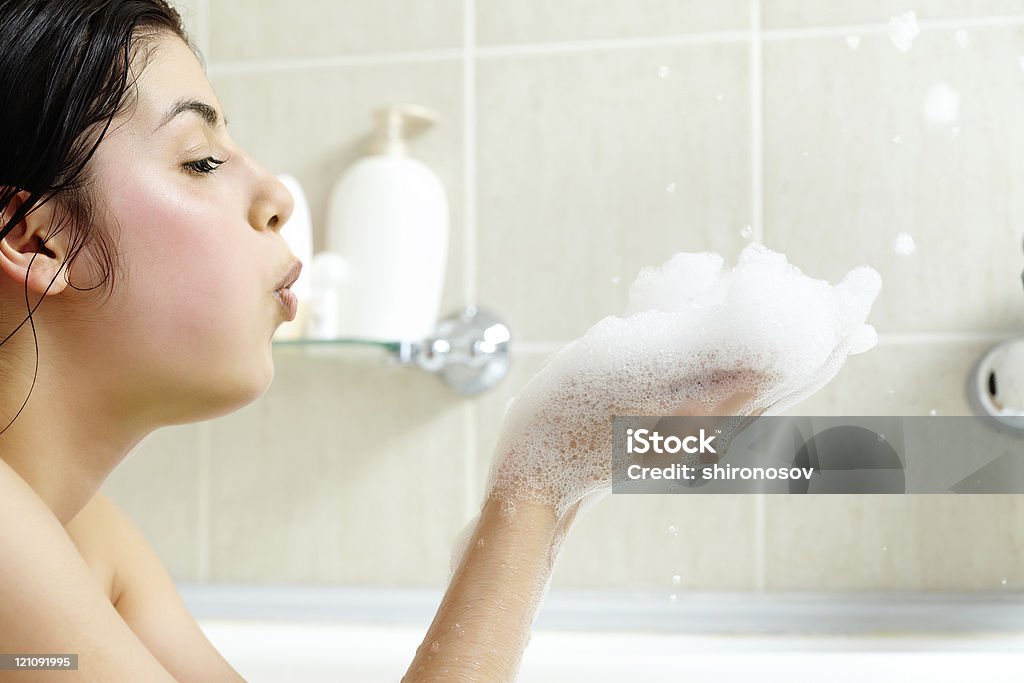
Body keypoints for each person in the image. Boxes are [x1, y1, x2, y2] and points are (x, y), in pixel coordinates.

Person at [0, 2, 767, 680]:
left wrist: (553, 480)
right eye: (201, 159)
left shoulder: (89, 545)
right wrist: (537, 491)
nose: (274, 193)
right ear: (38, 241)